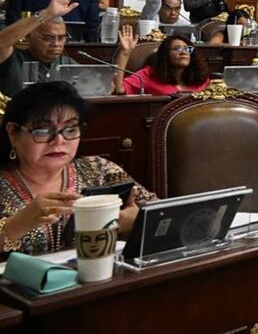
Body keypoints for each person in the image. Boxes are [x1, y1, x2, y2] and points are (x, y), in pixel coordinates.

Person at [0, 81, 156, 256]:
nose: (59, 141)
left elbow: (162, 215)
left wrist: (134, 220)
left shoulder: (100, 169)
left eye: (70, 129)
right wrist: (13, 228)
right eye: (42, 130)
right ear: (13, 132)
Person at [0, 0, 81, 98]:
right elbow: (2, 42)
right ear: (28, 36)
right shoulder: (13, 60)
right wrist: (46, 14)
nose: (56, 44)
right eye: (48, 38)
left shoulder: (68, 64)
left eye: (61, 38)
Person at [114, 28, 210, 95]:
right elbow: (119, 89)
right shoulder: (150, 74)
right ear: (166, 54)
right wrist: (125, 53)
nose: (184, 52)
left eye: (188, 49)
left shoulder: (200, 77)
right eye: (177, 49)